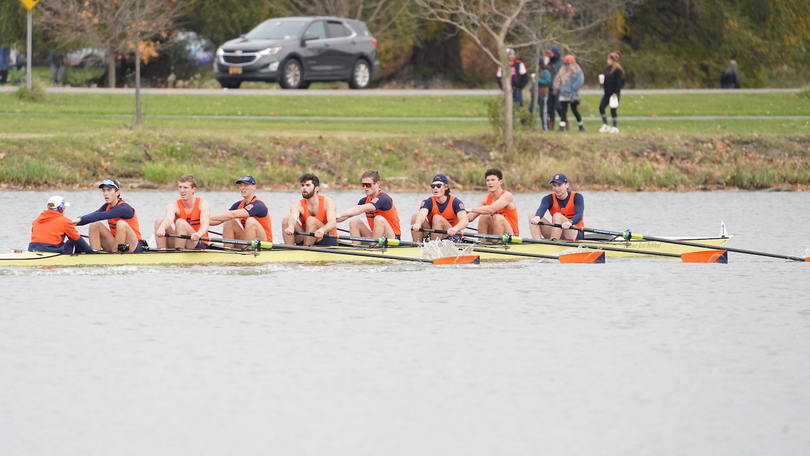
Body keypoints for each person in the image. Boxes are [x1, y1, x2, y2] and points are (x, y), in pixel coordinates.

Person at [73, 178, 144, 252]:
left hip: (134, 246)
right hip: (117, 243)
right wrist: (70, 223)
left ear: (117, 193)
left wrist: (80, 219)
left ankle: (115, 254)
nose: (106, 193)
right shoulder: (107, 206)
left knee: (121, 223)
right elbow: (94, 215)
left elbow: (101, 215)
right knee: (94, 225)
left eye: (109, 190)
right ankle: (94, 255)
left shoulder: (124, 208)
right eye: (104, 190)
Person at [336, 170, 401, 244]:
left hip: (393, 239)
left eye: (368, 185)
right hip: (377, 238)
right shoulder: (365, 200)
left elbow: (360, 209)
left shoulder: (384, 198)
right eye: (363, 185)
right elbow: (348, 214)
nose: (365, 187)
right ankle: (356, 249)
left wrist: (340, 214)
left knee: (378, 219)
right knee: (354, 221)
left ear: (377, 183)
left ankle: (373, 248)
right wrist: (330, 220)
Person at [209, 175, 273, 246]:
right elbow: (221, 219)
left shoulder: (258, 205)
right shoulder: (239, 204)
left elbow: (232, 214)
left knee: (250, 220)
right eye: (241, 185)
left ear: (254, 187)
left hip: (264, 242)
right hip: (249, 240)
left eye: (246, 185)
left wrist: (208, 217)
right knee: (228, 221)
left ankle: (247, 252)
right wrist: (201, 220)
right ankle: (228, 251)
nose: (242, 188)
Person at [154, 175, 211, 250]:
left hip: (198, 242)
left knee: (180, 222)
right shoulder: (173, 205)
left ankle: (178, 253)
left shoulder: (203, 203)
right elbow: (168, 219)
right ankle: (161, 253)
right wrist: (162, 228)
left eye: (185, 188)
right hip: (181, 240)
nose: (182, 191)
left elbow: (205, 223)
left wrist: (199, 234)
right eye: (180, 187)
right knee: (159, 222)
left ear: (193, 189)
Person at [282, 173, 338, 246]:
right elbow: (293, 218)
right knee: (286, 219)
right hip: (306, 237)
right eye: (302, 185)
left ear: (317, 188)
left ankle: (305, 251)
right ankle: (289, 249)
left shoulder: (328, 202)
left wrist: (322, 230)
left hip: (326, 238)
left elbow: (332, 223)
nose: (304, 188)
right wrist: (291, 227)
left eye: (308, 185)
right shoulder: (298, 205)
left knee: (311, 220)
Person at [410, 174, 468, 242]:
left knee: (437, 218)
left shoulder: (456, 202)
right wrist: (418, 223)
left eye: (438, 186)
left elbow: (464, 220)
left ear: (446, 187)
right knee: (415, 216)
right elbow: (422, 214)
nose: (435, 188)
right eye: (433, 186)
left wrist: (455, 228)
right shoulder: (428, 202)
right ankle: (417, 246)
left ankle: (433, 246)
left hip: (451, 235)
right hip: (434, 233)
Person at [29, 195, 94, 254]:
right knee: (71, 242)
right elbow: (77, 240)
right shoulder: (65, 221)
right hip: (52, 252)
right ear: (63, 208)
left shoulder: (36, 220)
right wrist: (90, 251)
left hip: (33, 250)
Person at [529, 174, 585, 241]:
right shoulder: (548, 198)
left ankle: (554, 244)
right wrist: (537, 217)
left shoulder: (577, 197)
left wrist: (570, 222)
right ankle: (537, 243)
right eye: (554, 185)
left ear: (567, 185)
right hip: (557, 231)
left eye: (559, 185)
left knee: (557, 216)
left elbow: (579, 215)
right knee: (532, 215)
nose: (556, 188)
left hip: (574, 232)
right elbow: (541, 209)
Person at [467, 168, 519, 236]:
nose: (490, 182)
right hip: (495, 232)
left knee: (498, 217)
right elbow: (470, 218)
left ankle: (496, 245)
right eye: (488, 180)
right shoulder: (486, 198)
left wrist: (471, 209)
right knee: (484, 217)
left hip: (511, 235)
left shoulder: (507, 196)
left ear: (500, 182)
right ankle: (481, 243)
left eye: (493, 180)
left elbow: (492, 209)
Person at [553, 54, 585, 132]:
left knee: (574, 110)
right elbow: (558, 78)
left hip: (573, 94)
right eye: (565, 63)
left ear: (573, 63)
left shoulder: (578, 71)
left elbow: (580, 82)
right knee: (563, 110)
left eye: (568, 63)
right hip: (563, 93)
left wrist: (572, 89)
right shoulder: (562, 69)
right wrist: (558, 87)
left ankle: (581, 125)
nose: (567, 65)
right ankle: (561, 127)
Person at [599, 52, 625, 134]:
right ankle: (605, 124)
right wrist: (602, 82)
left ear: (614, 61)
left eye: (609, 59)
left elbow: (620, 82)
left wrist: (616, 92)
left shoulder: (618, 70)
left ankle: (615, 126)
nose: (608, 61)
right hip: (607, 92)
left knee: (613, 109)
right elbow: (605, 79)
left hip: (614, 93)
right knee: (601, 107)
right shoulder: (607, 69)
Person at [529, 60, 553, 131]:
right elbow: (533, 82)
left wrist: (537, 80)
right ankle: (531, 126)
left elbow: (548, 82)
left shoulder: (545, 72)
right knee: (532, 109)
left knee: (543, 111)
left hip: (543, 93)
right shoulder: (536, 72)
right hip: (535, 93)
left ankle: (545, 127)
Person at [545, 46, 563, 130]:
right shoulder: (549, 63)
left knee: (558, 106)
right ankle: (551, 126)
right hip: (550, 88)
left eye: (550, 53)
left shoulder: (561, 62)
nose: (549, 55)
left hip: (559, 88)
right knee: (550, 107)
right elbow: (545, 71)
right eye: (548, 53)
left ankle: (564, 121)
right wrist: (545, 64)